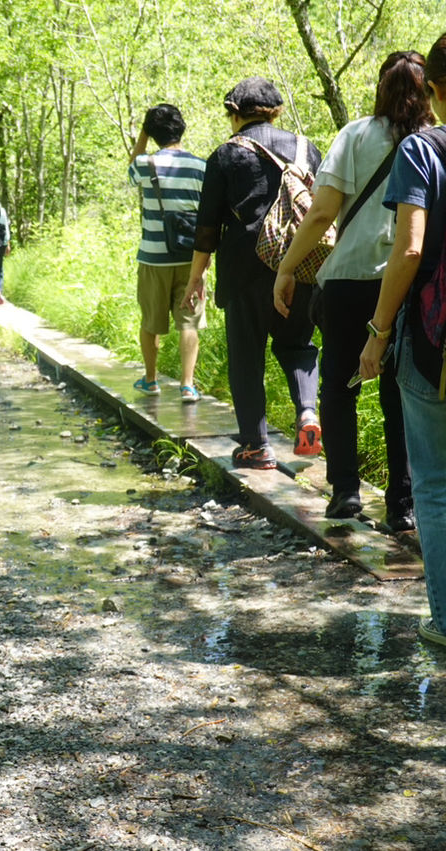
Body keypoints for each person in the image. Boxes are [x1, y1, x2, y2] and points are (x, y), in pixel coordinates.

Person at [274, 52, 432, 527]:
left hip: (347, 282)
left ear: (381, 86)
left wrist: (287, 267)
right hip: (407, 284)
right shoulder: (433, 143)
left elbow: (321, 213)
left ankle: (345, 492)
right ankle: (402, 505)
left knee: (340, 390)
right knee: (400, 395)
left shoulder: (356, 134)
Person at [181, 77, 321, 466]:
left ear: (234, 112)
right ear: (275, 112)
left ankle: (256, 446)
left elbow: (206, 228)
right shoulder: (307, 149)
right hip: (300, 263)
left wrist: (196, 278)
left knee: (246, 355)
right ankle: (307, 411)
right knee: (298, 344)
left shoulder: (225, 155)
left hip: (245, 269)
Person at [360, 33, 446, 645]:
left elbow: (409, 247)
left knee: (436, 486)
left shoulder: (422, 148)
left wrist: (378, 330)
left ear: (436, 90)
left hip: (433, 344)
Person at [128, 104, 207, 403]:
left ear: (153, 132)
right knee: (189, 322)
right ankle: (187, 385)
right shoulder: (201, 167)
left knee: (151, 321)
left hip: (153, 258)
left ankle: (151, 380)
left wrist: (143, 135)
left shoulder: (145, 164)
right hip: (191, 259)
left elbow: (131, 168)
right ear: (182, 128)